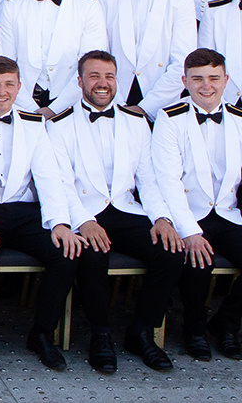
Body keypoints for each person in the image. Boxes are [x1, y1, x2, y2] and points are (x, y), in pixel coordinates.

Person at [151, 48, 242, 363]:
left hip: (227, 214)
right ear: (184, 81)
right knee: (197, 261)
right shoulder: (169, 120)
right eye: (197, 79)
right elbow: (167, 181)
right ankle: (194, 330)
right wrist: (188, 231)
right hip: (189, 212)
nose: (206, 86)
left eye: (213, 78)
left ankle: (225, 322)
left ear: (226, 80)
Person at [55, 51, 185, 373]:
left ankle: (141, 332)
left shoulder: (136, 121)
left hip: (125, 209)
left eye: (109, 76)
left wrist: (162, 219)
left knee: (170, 251)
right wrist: (83, 222)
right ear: (80, 81)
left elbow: (148, 179)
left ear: (117, 81)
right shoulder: (59, 124)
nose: (103, 83)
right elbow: (60, 183)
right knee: (92, 255)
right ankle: (100, 334)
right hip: (85, 211)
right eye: (94, 76)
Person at [0, 56, 82, 371]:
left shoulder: (34, 124)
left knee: (64, 253)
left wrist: (61, 224)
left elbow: (49, 177)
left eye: (9, 84)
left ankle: (41, 334)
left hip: (23, 211)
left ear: (19, 87)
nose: (1, 91)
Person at [0, 0, 106, 115]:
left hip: (72, 106)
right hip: (22, 105)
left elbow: (91, 69)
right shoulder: (12, 6)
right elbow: (5, 65)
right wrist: (31, 109)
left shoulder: (89, 7)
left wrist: (55, 110)